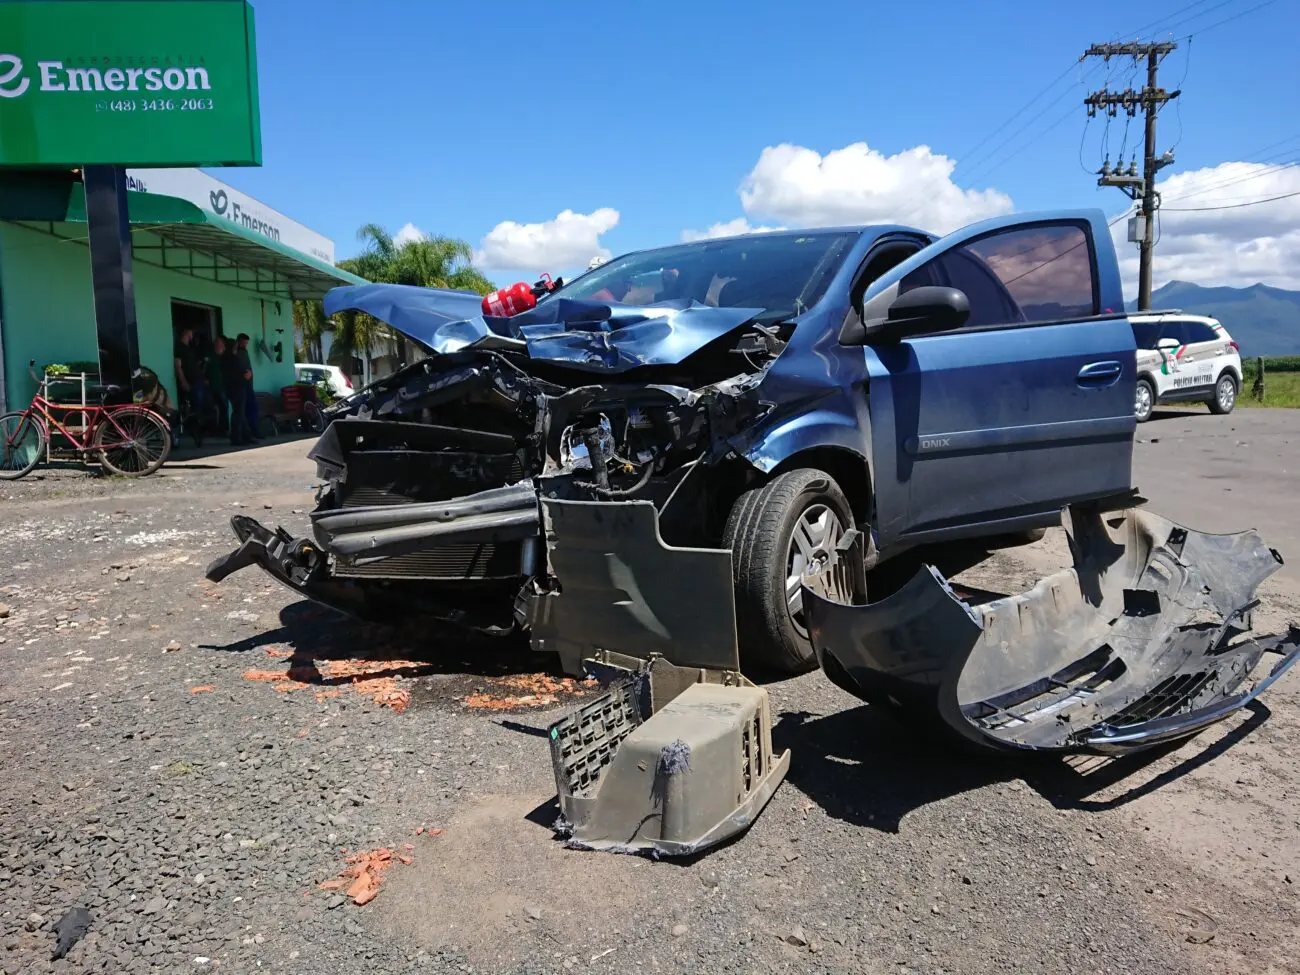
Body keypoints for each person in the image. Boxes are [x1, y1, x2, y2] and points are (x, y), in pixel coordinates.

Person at [172, 327, 207, 446]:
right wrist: (183, 382)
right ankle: (195, 434)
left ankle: (199, 434)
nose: (192, 335)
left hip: (198, 381)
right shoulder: (179, 348)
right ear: (187, 332)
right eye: (191, 332)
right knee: (194, 410)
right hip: (191, 383)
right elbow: (178, 366)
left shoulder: (189, 348)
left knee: (200, 409)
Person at [223, 335, 254, 445]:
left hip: (234, 388)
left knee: (240, 413)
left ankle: (246, 436)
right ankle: (236, 438)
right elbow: (241, 373)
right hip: (237, 388)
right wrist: (246, 375)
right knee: (238, 413)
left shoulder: (227, 357)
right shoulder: (231, 358)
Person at [234, 333, 263, 443]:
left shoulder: (244, 352)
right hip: (242, 385)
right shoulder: (236, 353)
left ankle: (253, 431)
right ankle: (249, 433)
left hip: (248, 385)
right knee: (245, 410)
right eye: (244, 343)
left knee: (251, 408)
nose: (245, 345)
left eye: (246, 343)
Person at [207, 336, 230, 436]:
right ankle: (212, 430)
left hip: (222, 386)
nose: (216, 343)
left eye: (218, 342)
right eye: (215, 341)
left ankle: (223, 430)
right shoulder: (210, 356)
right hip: (210, 386)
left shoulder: (226, 356)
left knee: (224, 408)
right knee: (210, 408)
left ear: (223, 344)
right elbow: (204, 369)